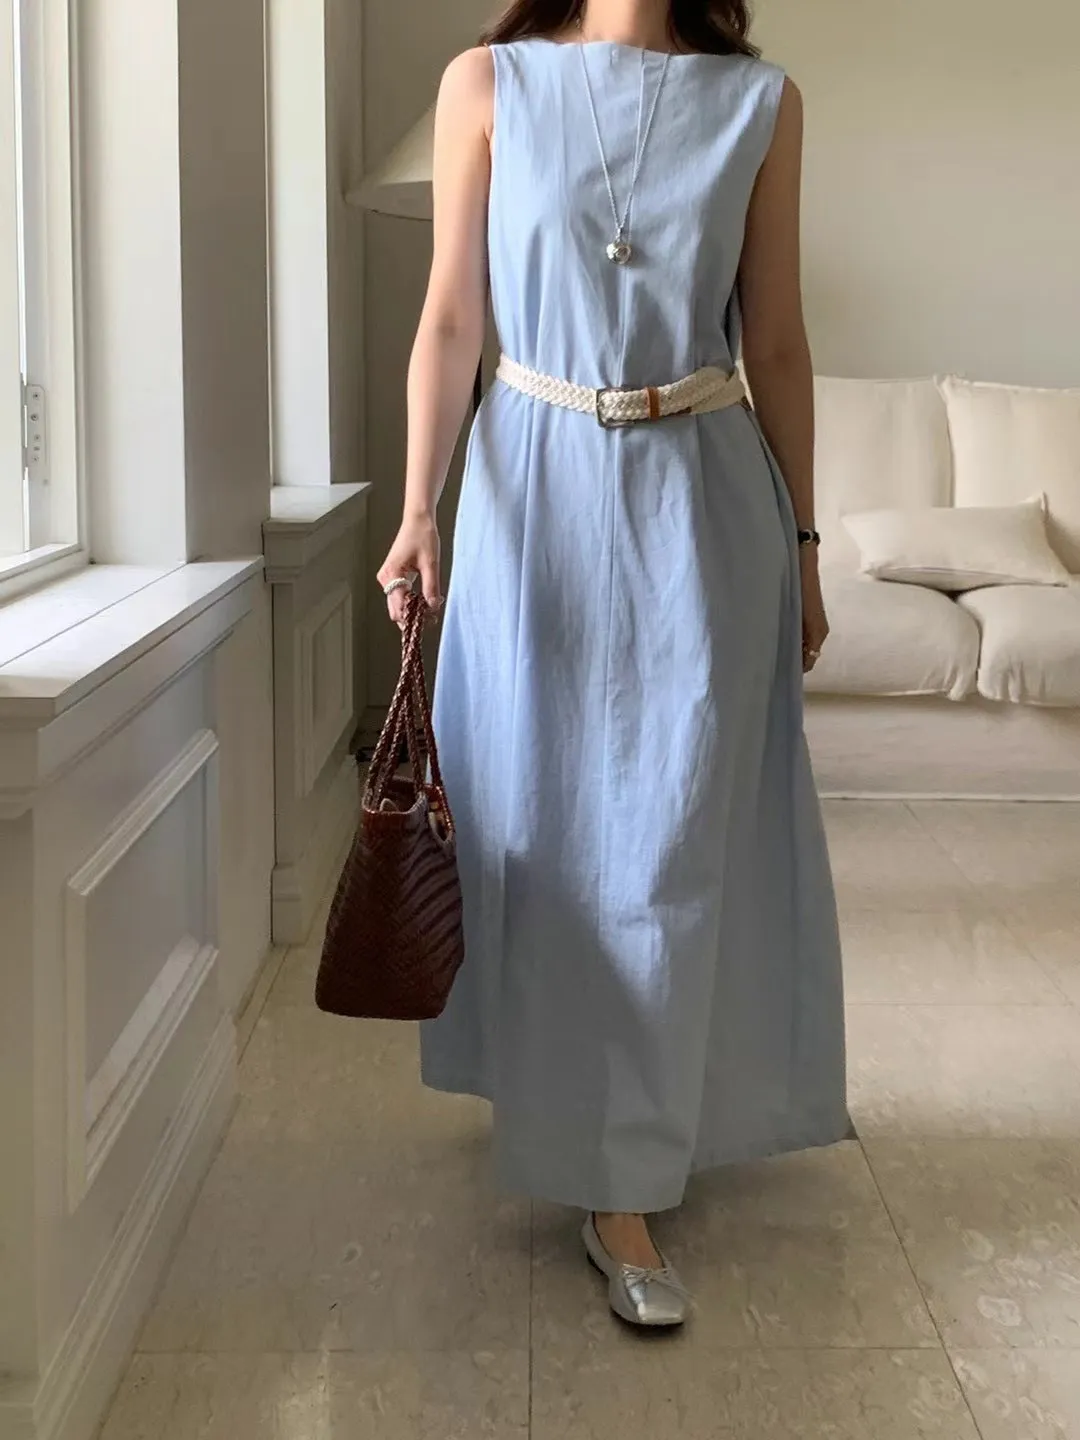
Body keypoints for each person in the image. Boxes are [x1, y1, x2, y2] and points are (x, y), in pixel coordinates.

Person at [377, 0, 849, 1329]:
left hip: (703, 503)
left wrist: (806, 545)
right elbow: (452, 319)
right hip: (529, 493)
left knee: (668, 841)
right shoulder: (486, 84)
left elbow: (778, 341)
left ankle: (626, 1174)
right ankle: (570, 1106)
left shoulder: (761, 106)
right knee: (535, 828)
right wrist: (418, 511)